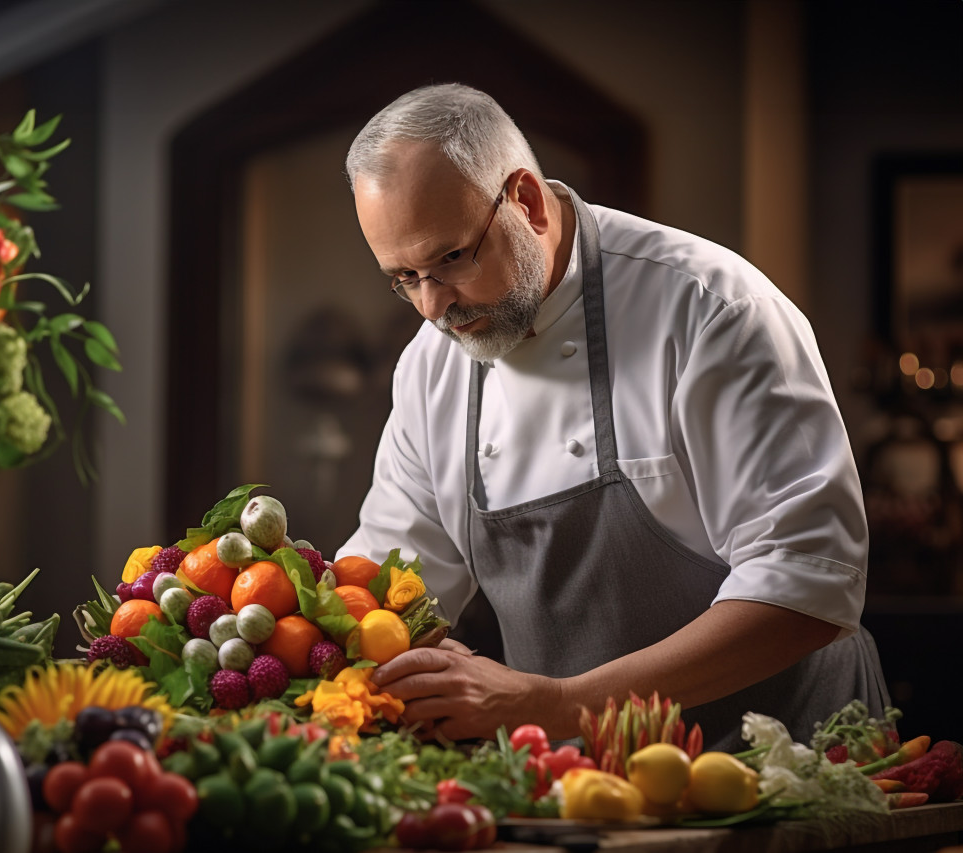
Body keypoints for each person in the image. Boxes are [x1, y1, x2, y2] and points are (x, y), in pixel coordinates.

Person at [336, 83, 888, 750]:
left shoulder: (710, 310)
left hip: (792, 772)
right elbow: (386, 591)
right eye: (403, 277)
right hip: (588, 792)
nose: (431, 307)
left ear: (526, 202)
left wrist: (559, 704)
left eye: (451, 259)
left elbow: (807, 586)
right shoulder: (431, 369)